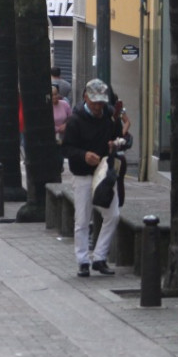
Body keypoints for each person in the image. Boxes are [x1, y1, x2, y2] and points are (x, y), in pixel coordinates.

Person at [62, 79, 123, 278]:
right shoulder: (76, 120)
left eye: (101, 102)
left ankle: (99, 257)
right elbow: (67, 148)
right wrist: (83, 155)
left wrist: (115, 142)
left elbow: (116, 135)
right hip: (83, 174)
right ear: (85, 97)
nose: (98, 106)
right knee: (82, 219)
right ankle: (82, 260)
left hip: (104, 172)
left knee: (112, 214)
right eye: (95, 102)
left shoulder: (109, 114)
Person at [51, 84, 73, 173]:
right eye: (52, 95)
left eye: (56, 94)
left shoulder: (64, 104)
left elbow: (71, 117)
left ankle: (59, 168)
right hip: (52, 135)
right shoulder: (46, 106)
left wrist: (66, 125)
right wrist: (57, 129)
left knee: (61, 156)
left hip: (64, 134)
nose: (55, 96)